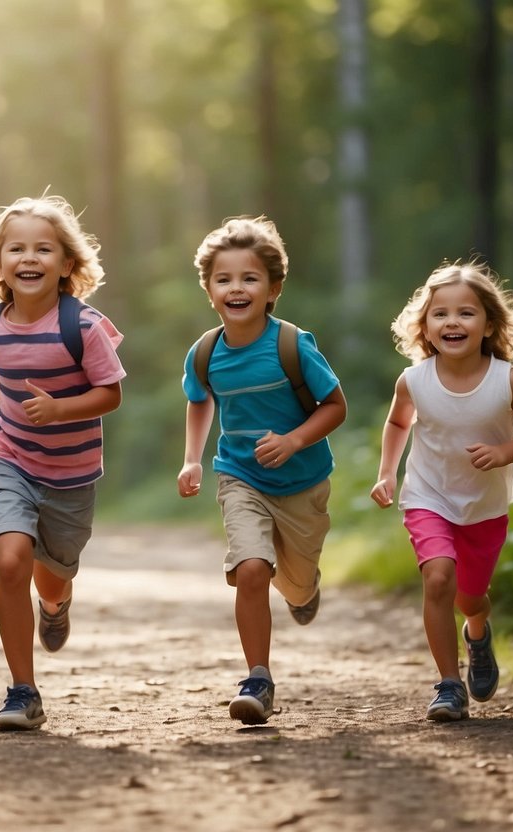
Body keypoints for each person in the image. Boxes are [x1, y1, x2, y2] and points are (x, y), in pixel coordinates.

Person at [0, 194, 125, 732]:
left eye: (43, 248)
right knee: (10, 559)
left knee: (51, 578)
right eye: (16, 248)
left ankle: (56, 603)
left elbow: (111, 393)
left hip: (71, 475)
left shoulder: (85, 327)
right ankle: (22, 691)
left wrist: (60, 409)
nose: (29, 257)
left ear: (66, 264)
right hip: (13, 460)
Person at [177, 216, 347, 726]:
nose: (236, 288)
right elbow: (199, 400)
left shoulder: (292, 345)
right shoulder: (206, 353)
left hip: (303, 483)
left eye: (249, 278)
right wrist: (192, 458)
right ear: (209, 290)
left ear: (273, 288)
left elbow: (335, 405)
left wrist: (295, 439)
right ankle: (258, 678)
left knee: (294, 583)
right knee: (250, 568)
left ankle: (305, 588)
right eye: (224, 279)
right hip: (240, 476)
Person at [370, 261, 513, 722]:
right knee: (438, 578)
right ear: (426, 328)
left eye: (466, 313)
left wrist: (504, 451)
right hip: (427, 495)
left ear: (488, 324)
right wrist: (387, 472)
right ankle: (449, 686)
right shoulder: (413, 380)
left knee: (470, 596)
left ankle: (477, 632)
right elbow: (397, 422)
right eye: (441, 314)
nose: (452, 321)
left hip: (484, 506)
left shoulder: (508, 380)